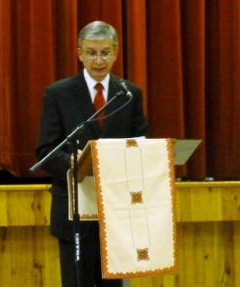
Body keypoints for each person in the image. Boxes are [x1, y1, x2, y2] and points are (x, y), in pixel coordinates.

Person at [35, 21, 150, 287]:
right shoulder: (58, 93)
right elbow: (46, 151)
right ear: (79, 53)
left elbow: (140, 143)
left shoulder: (129, 94)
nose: (99, 60)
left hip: (117, 209)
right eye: (92, 52)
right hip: (74, 209)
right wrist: (76, 164)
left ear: (116, 53)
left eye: (105, 52)